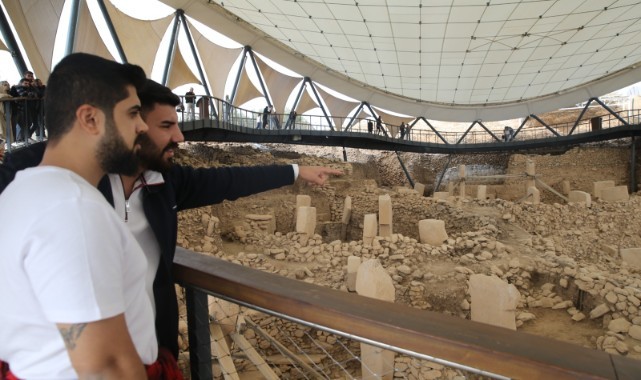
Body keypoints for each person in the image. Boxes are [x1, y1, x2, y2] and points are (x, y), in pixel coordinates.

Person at [0, 79, 344, 363]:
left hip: (144, 347)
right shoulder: (34, 170)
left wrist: (296, 171)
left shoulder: (165, 182)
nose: (180, 137)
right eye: (166, 126)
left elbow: (228, 181)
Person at [0, 53, 185, 378]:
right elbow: (104, 366)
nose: (141, 127)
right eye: (131, 114)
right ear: (90, 119)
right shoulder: (73, 210)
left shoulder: (21, 191)